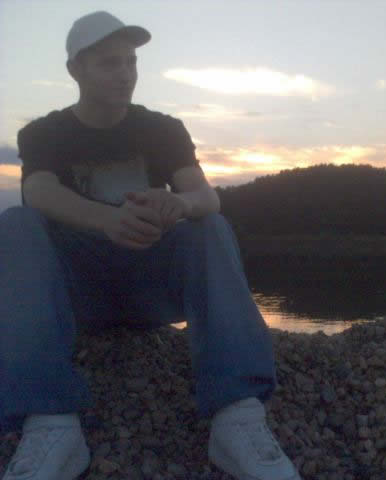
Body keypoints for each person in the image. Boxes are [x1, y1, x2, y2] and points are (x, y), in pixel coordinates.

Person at [0, 10, 302, 480]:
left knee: (209, 225)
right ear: (75, 69)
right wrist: (107, 220)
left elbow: (206, 197)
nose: (125, 74)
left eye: (131, 62)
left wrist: (177, 204)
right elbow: (38, 192)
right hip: (79, 296)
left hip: (151, 289)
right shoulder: (44, 133)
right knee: (17, 223)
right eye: (109, 63)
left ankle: (237, 415)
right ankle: (51, 423)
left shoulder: (162, 129)